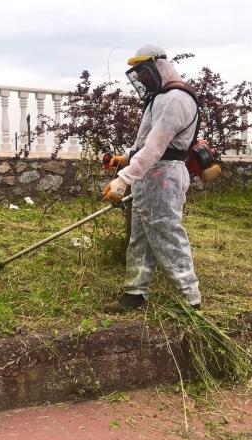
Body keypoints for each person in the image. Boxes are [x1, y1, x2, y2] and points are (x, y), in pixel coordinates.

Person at [102, 44, 201, 312]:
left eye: (144, 73)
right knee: (141, 236)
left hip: (164, 176)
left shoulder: (176, 99)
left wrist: (123, 179)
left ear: (158, 67)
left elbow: (158, 148)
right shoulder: (161, 97)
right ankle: (135, 292)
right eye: (139, 75)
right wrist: (127, 156)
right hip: (150, 175)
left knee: (168, 234)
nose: (142, 80)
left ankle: (190, 299)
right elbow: (147, 142)